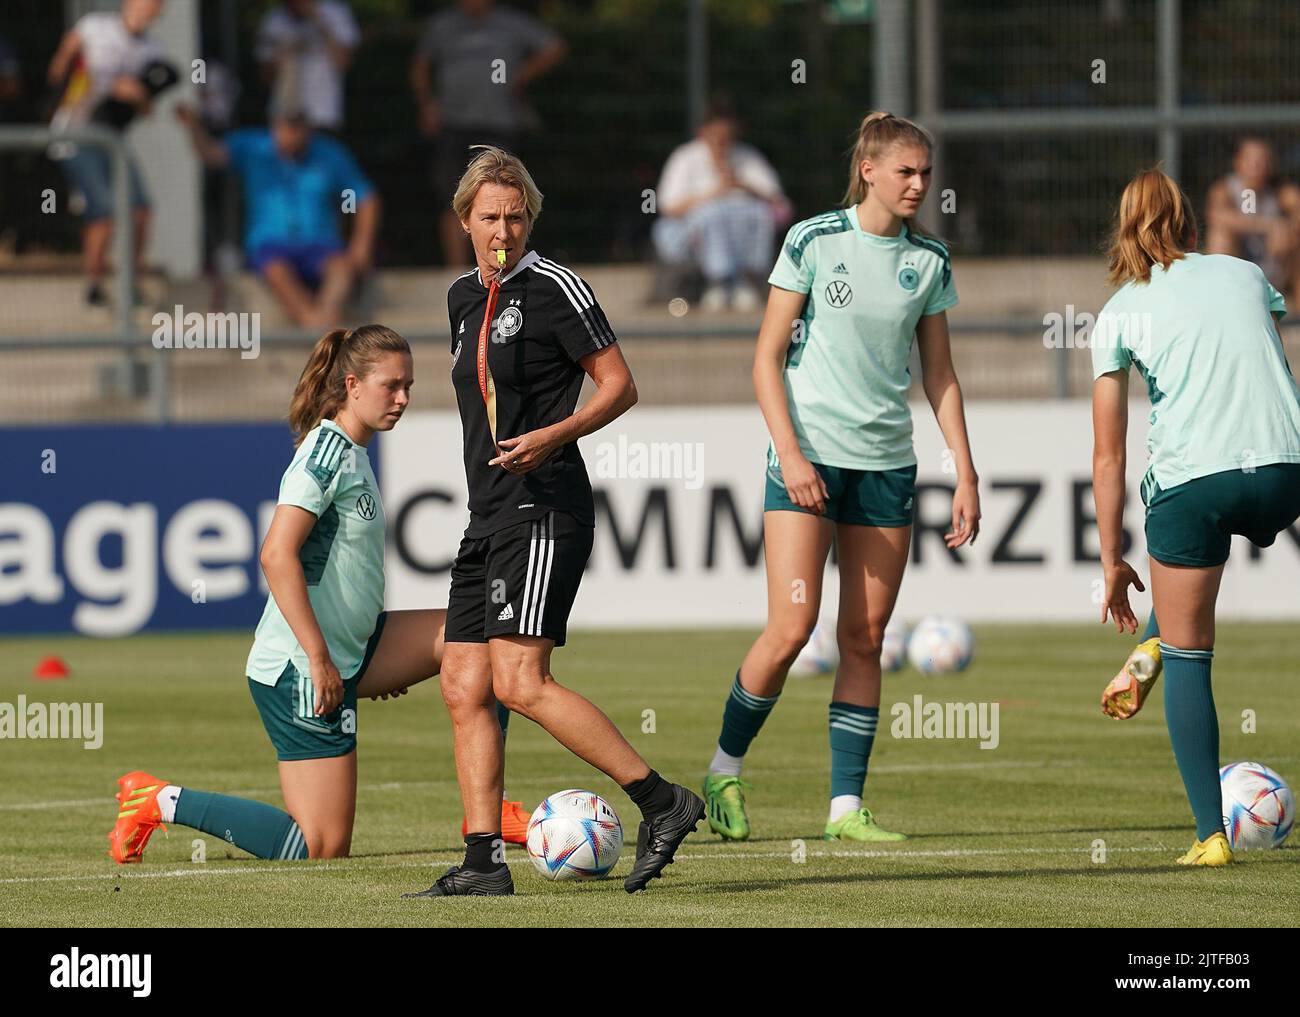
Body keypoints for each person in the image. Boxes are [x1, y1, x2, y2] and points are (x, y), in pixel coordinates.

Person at [404, 146, 703, 898]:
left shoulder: (555, 286)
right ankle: (482, 863)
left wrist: (551, 434)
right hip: (487, 513)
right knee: (464, 684)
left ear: (529, 217)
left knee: (520, 680)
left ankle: (662, 801)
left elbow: (619, 385)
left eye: (515, 215)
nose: (503, 229)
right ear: (464, 221)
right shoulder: (461, 298)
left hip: (544, 508)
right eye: (489, 217)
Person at [699, 112, 981, 844]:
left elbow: (941, 375)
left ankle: (845, 809)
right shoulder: (814, 240)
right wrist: (789, 454)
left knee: (864, 635)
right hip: (809, 456)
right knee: (792, 627)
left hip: (887, 465)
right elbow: (765, 359)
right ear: (870, 171)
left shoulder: (930, 261)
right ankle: (724, 768)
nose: (919, 183)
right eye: (906, 171)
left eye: (925, 172)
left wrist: (965, 471)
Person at [108, 325, 452, 863]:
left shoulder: (355, 450)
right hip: (299, 666)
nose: (404, 398)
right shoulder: (326, 452)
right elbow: (275, 554)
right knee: (317, 848)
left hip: (348, 650)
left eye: (409, 384)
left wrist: (363, 660)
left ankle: (493, 815)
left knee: (471, 635)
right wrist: (320, 659)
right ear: (353, 385)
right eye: (392, 386)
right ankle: (158, 799)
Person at [1092, 168, 1300, 866]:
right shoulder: (1243, 273)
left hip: (1195, 484)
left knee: (1193, 653)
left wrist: (1111, 561)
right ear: (1187, 220)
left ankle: (1211, 836)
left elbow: (1109, 454)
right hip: (1286, 467)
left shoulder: (1120, 310)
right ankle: (1153, 646)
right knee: (1204, 566)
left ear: (1123, 229)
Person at [175, 105, 379, 329]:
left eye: (297, 129)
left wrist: (360, 245)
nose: (290, 136)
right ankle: (316, 328)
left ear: (308, 130)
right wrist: (194, 127)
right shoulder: (252, 146)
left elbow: (358, 195)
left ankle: (323, 325)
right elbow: (211, 155)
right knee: (277, 270)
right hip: (270, 244)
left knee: (342, 268)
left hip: (321, 244)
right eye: (285, 128)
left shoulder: (330, 154)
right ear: (274, 126)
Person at [410, 0, 567, 266]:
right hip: (452, 126)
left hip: (499, 126)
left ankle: (505, 265)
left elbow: (555, 47)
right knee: (451, 198)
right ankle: (458, 272)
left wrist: (522, 76)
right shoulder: (443, 25)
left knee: (505, 198)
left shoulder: (513, 22)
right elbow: (420, 65)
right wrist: (427, 105)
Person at [46, 0, 169, 307]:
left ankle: (131, 282)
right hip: (75, 134)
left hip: (113, 139)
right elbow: (57, 72)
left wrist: (137, 95)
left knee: (140, 210)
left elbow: (147, 109)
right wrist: (84, 76)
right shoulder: (94, 27)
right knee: (103, 210)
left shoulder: (153, 51)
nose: (147, 11)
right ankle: (94, 284)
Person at [652, 98, 790, 312]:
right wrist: (713, 193)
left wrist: (742, 185)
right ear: (703, 133)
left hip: (741, 224)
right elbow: (669, 207)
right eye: (717, 137)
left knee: (756, 213)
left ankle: (745, 280)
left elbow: (777, 200)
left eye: (727, 137)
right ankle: (720, 281)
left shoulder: (748, 156)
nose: (722, 143)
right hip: (692, 230)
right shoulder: (685, 157)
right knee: (713, 214)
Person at [1204, 137, 1300, 303]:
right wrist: (1270, 226)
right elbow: (1217, 215)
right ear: (1238, 162)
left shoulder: (1280, 190)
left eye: (1263, 160)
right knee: (1220, 236)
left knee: (1294, 239)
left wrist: (1287, 229)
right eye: (1252, 160)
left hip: (1273, 266)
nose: (1257, 166)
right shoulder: (1225, 189)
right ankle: (1220, 302)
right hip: (1239, 267)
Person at [256, 0, 359, 131]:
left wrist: (317, 20)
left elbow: (343, 63)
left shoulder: (335, 12)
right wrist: (283, 53)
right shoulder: (274, 19)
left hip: (323, 115)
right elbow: (265, 78)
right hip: (285, 118)